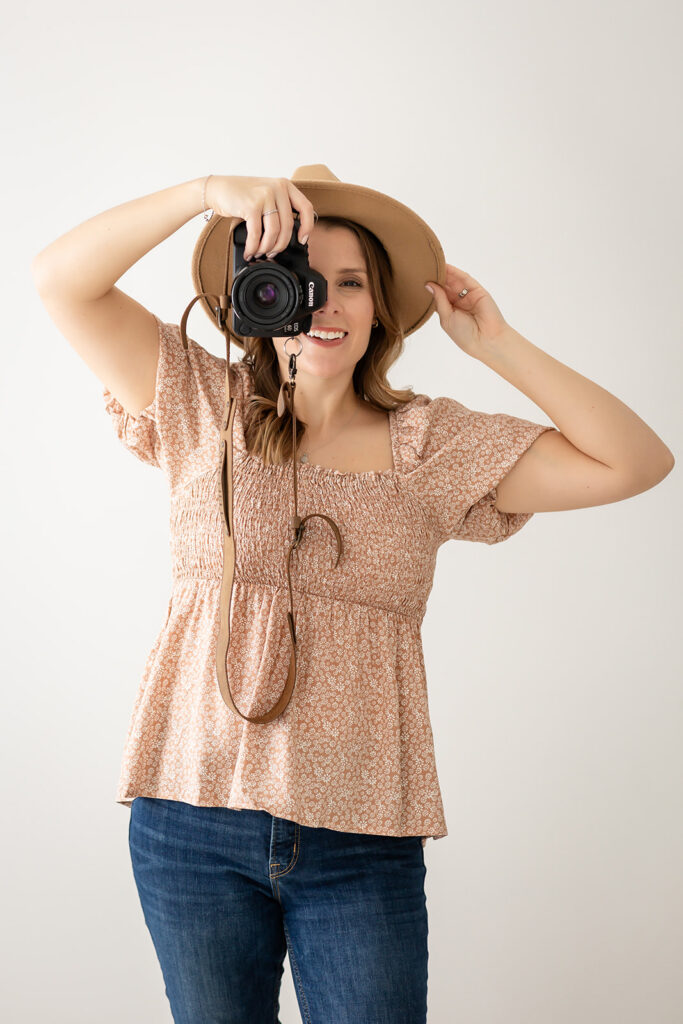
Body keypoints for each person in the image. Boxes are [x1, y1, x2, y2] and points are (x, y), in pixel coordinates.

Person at [32, 169, 675, 1024]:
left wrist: (496, 344)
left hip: (361, 835)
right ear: (253, 297)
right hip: (190, 819)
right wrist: (203, 193)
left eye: (350, 283)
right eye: (297, 280)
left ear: (381, 310)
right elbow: (59, 280)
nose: (324, 304)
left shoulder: (431, 445)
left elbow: (637, 462)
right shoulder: (200, 403)